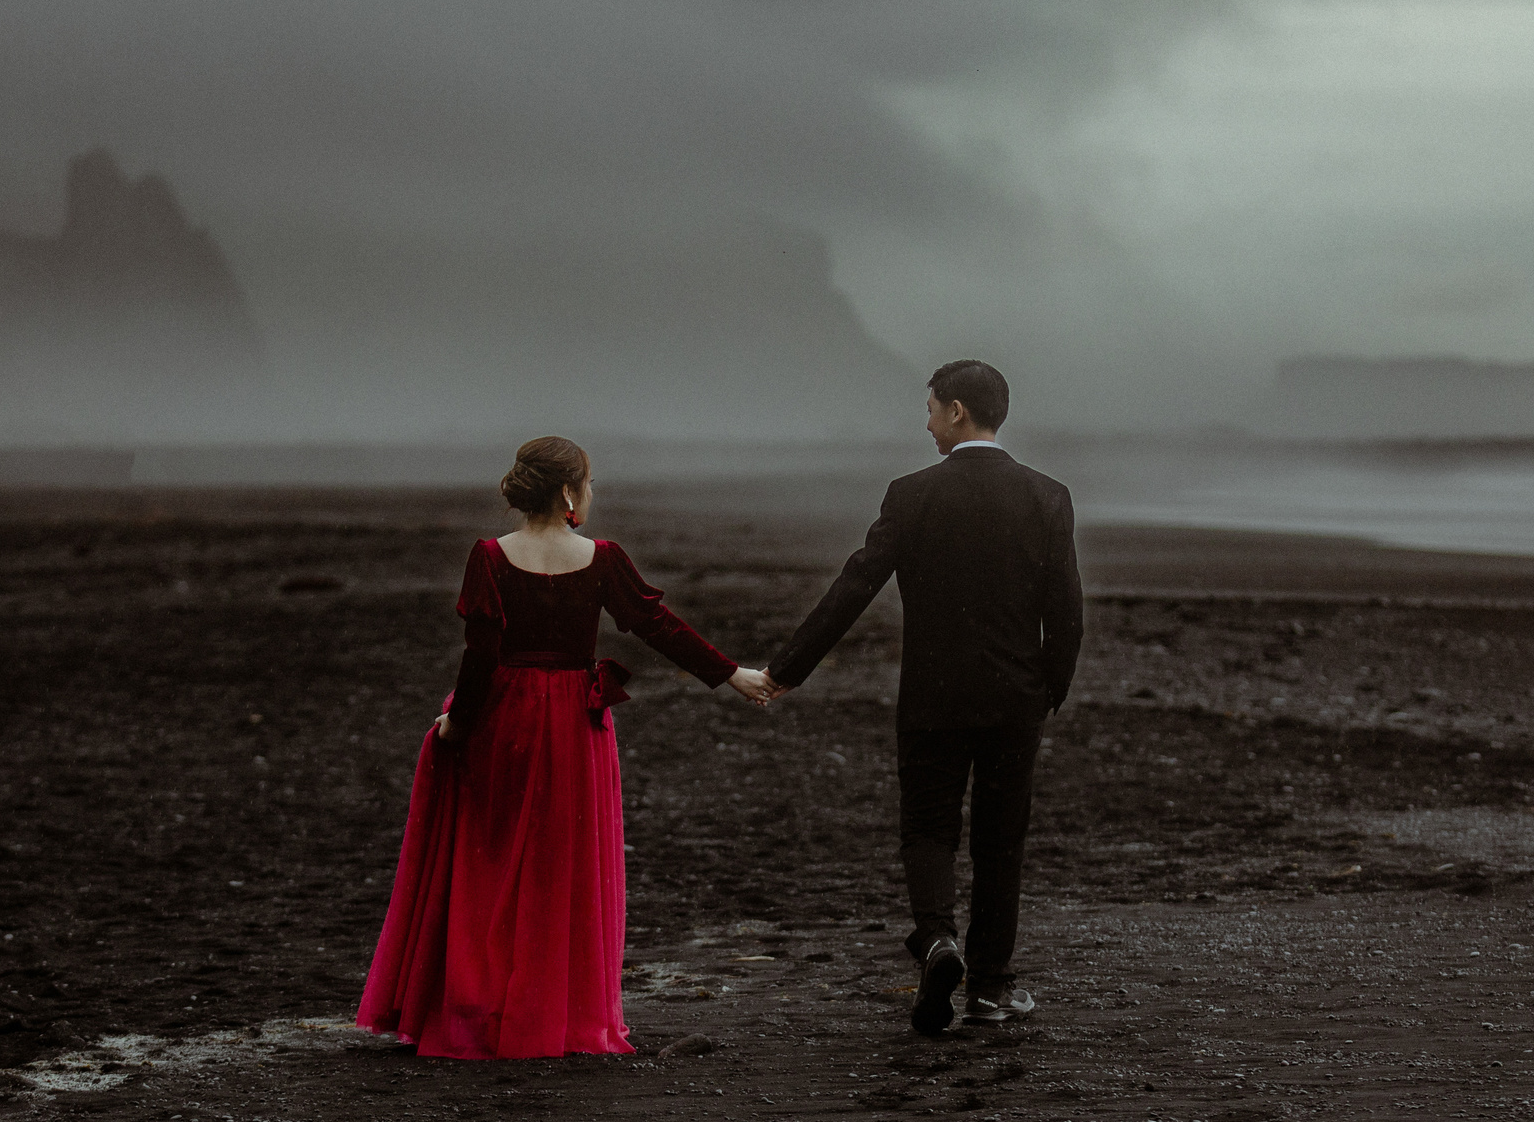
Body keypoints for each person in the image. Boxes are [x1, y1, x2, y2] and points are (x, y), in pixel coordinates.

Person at [357, 436, 776, 1059]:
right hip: (575, 728)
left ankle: (484, 1005)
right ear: (569, 492)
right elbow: (657, 625)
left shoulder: (489, 557)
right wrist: (730, 673)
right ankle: (553, 1013)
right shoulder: (601, 558)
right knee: (562, 869)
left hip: (504, 718)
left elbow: (480, 656)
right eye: (590, 483)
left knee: (491, 864)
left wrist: (456, 725)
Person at [762, 360, 1081, 1035]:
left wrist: (789, 667)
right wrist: (1051, 685)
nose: (927, 420)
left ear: (958, 411)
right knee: (1001, 842)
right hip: (1016, 698)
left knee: (929, 828)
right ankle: (991, 990)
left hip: (932, 696)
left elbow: (856, 584)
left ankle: (939, 942)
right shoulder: (1048, 496)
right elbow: (1067, 607)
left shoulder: (911, 494)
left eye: (932, 407)